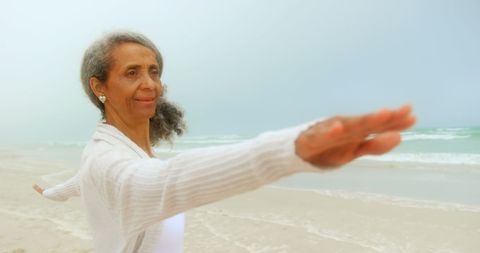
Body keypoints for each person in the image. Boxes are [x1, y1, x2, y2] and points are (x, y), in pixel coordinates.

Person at [33, 31, 416, 253]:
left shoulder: (114, 151)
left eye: (153, 71)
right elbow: (160, 182)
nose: (149, 83)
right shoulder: (110, 161)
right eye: (131, 73)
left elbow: (84, 179)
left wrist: (53, 191)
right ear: (99, 87)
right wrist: (287, 152)